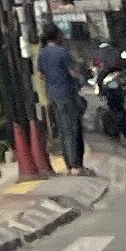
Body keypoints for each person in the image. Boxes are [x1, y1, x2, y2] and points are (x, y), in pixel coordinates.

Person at [36, 22, 86, 170]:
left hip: (53, 95)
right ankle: (75, 165)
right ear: (57, 35)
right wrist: (79, 75)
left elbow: (41, 74)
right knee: (71, 129)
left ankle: (69, 163)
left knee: (63, 131)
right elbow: (73, 72)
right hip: (67, 93)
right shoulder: (62, 52)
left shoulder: (42, 53)